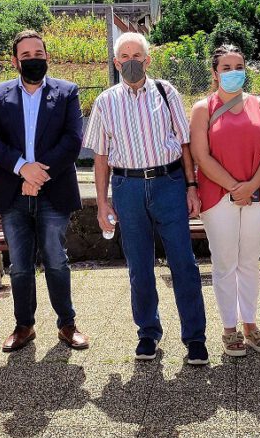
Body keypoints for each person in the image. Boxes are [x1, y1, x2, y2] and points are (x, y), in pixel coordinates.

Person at [83, 31, 209, 366]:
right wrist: (102, 202)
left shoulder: (166, 92)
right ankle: (148, 333)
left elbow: (184, 144)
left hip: (168, 183)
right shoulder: (105, 101)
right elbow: (100, 156)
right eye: (123, 57)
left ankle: (195, 338)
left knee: (183, 263)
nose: (130, 62)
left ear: (147, 59)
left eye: (136, 55)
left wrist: (191, 186)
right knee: (139, 267)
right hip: (128, 188)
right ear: (115, 63)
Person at [0, 30, 89, 352]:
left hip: (53, 192)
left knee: (56, 260)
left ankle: (67, 325)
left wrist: (38, 174)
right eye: (25, 55)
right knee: (20, 266)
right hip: (14, 193)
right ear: (14, 61)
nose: (32, 59)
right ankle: (24, 326)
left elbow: (72, 140)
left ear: (47, 56)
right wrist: (20, 168)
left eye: (38, 54)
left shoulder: (67, 92)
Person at [189, 44, 260, 357]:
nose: (233, 73)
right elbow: (201, 154)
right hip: (218, 195)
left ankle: (250, 325)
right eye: (226, 68)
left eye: (238, 66)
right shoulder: (203, 108)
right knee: (225, 261)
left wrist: (252, 184)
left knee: (250, 260)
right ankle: (229, 328)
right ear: (214, 73)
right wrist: (233, 187)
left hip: (258, 193)